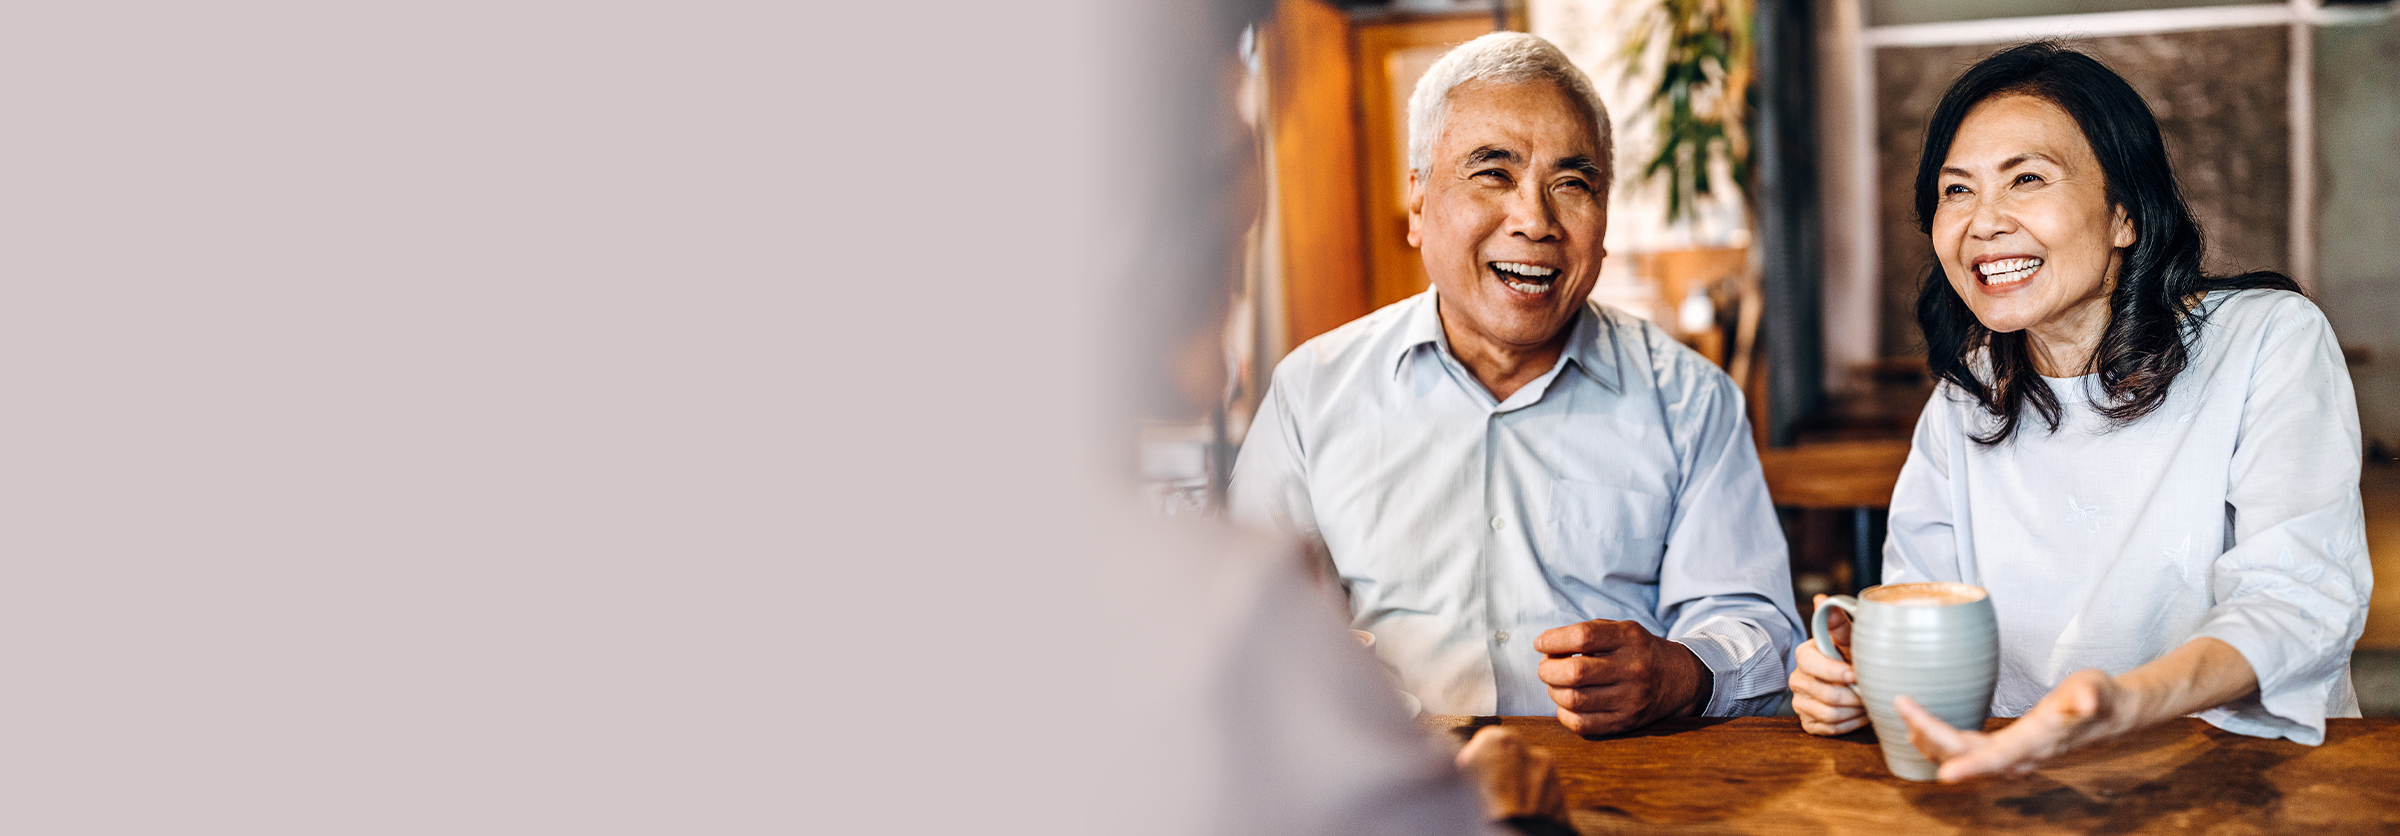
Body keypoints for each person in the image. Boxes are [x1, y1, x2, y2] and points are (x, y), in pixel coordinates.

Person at [1787, 41, 2371, 781]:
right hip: (2018, 786)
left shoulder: (2265, 340)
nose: (1984, 222)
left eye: (2026, 178)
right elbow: (1921, 606)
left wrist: (2121, 706)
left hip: (2243, 778)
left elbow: (2298, 599)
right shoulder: (1966, 394)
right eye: (1957, 190)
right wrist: (1853, 679)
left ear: (2125, 214)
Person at [1228, 31, 1802, 734]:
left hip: (1622, 781)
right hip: (1394, 776)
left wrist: (1677, 673)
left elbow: (1757, 628)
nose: (1535, 221)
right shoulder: (1312, 393)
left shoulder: (1689, 399)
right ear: (1418, 203)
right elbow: (1243, 621)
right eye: (1493, 174)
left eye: (1573, 184)